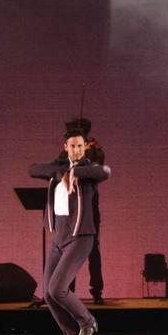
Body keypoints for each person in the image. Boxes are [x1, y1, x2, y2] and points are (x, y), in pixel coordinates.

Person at [29, 128, 111, 335]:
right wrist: (63, 171)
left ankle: (88, 321)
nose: (76, 150)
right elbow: (33, 169)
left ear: (85, 148)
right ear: (65, 147)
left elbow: (105, 171)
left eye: (80, 146)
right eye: (72, 146)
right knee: (47, 293)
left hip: (81, 237)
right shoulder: (60, 167)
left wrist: (78, 172)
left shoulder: (90, 172)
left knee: (58, 289)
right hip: (59, 240)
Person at [65, 117, 107, 305]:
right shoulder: (69, 150)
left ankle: (96, 291)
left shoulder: (94, 150)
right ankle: (69, 290)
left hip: (89, 205)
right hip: (72, 206)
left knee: (92, 249)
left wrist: (88, 156)